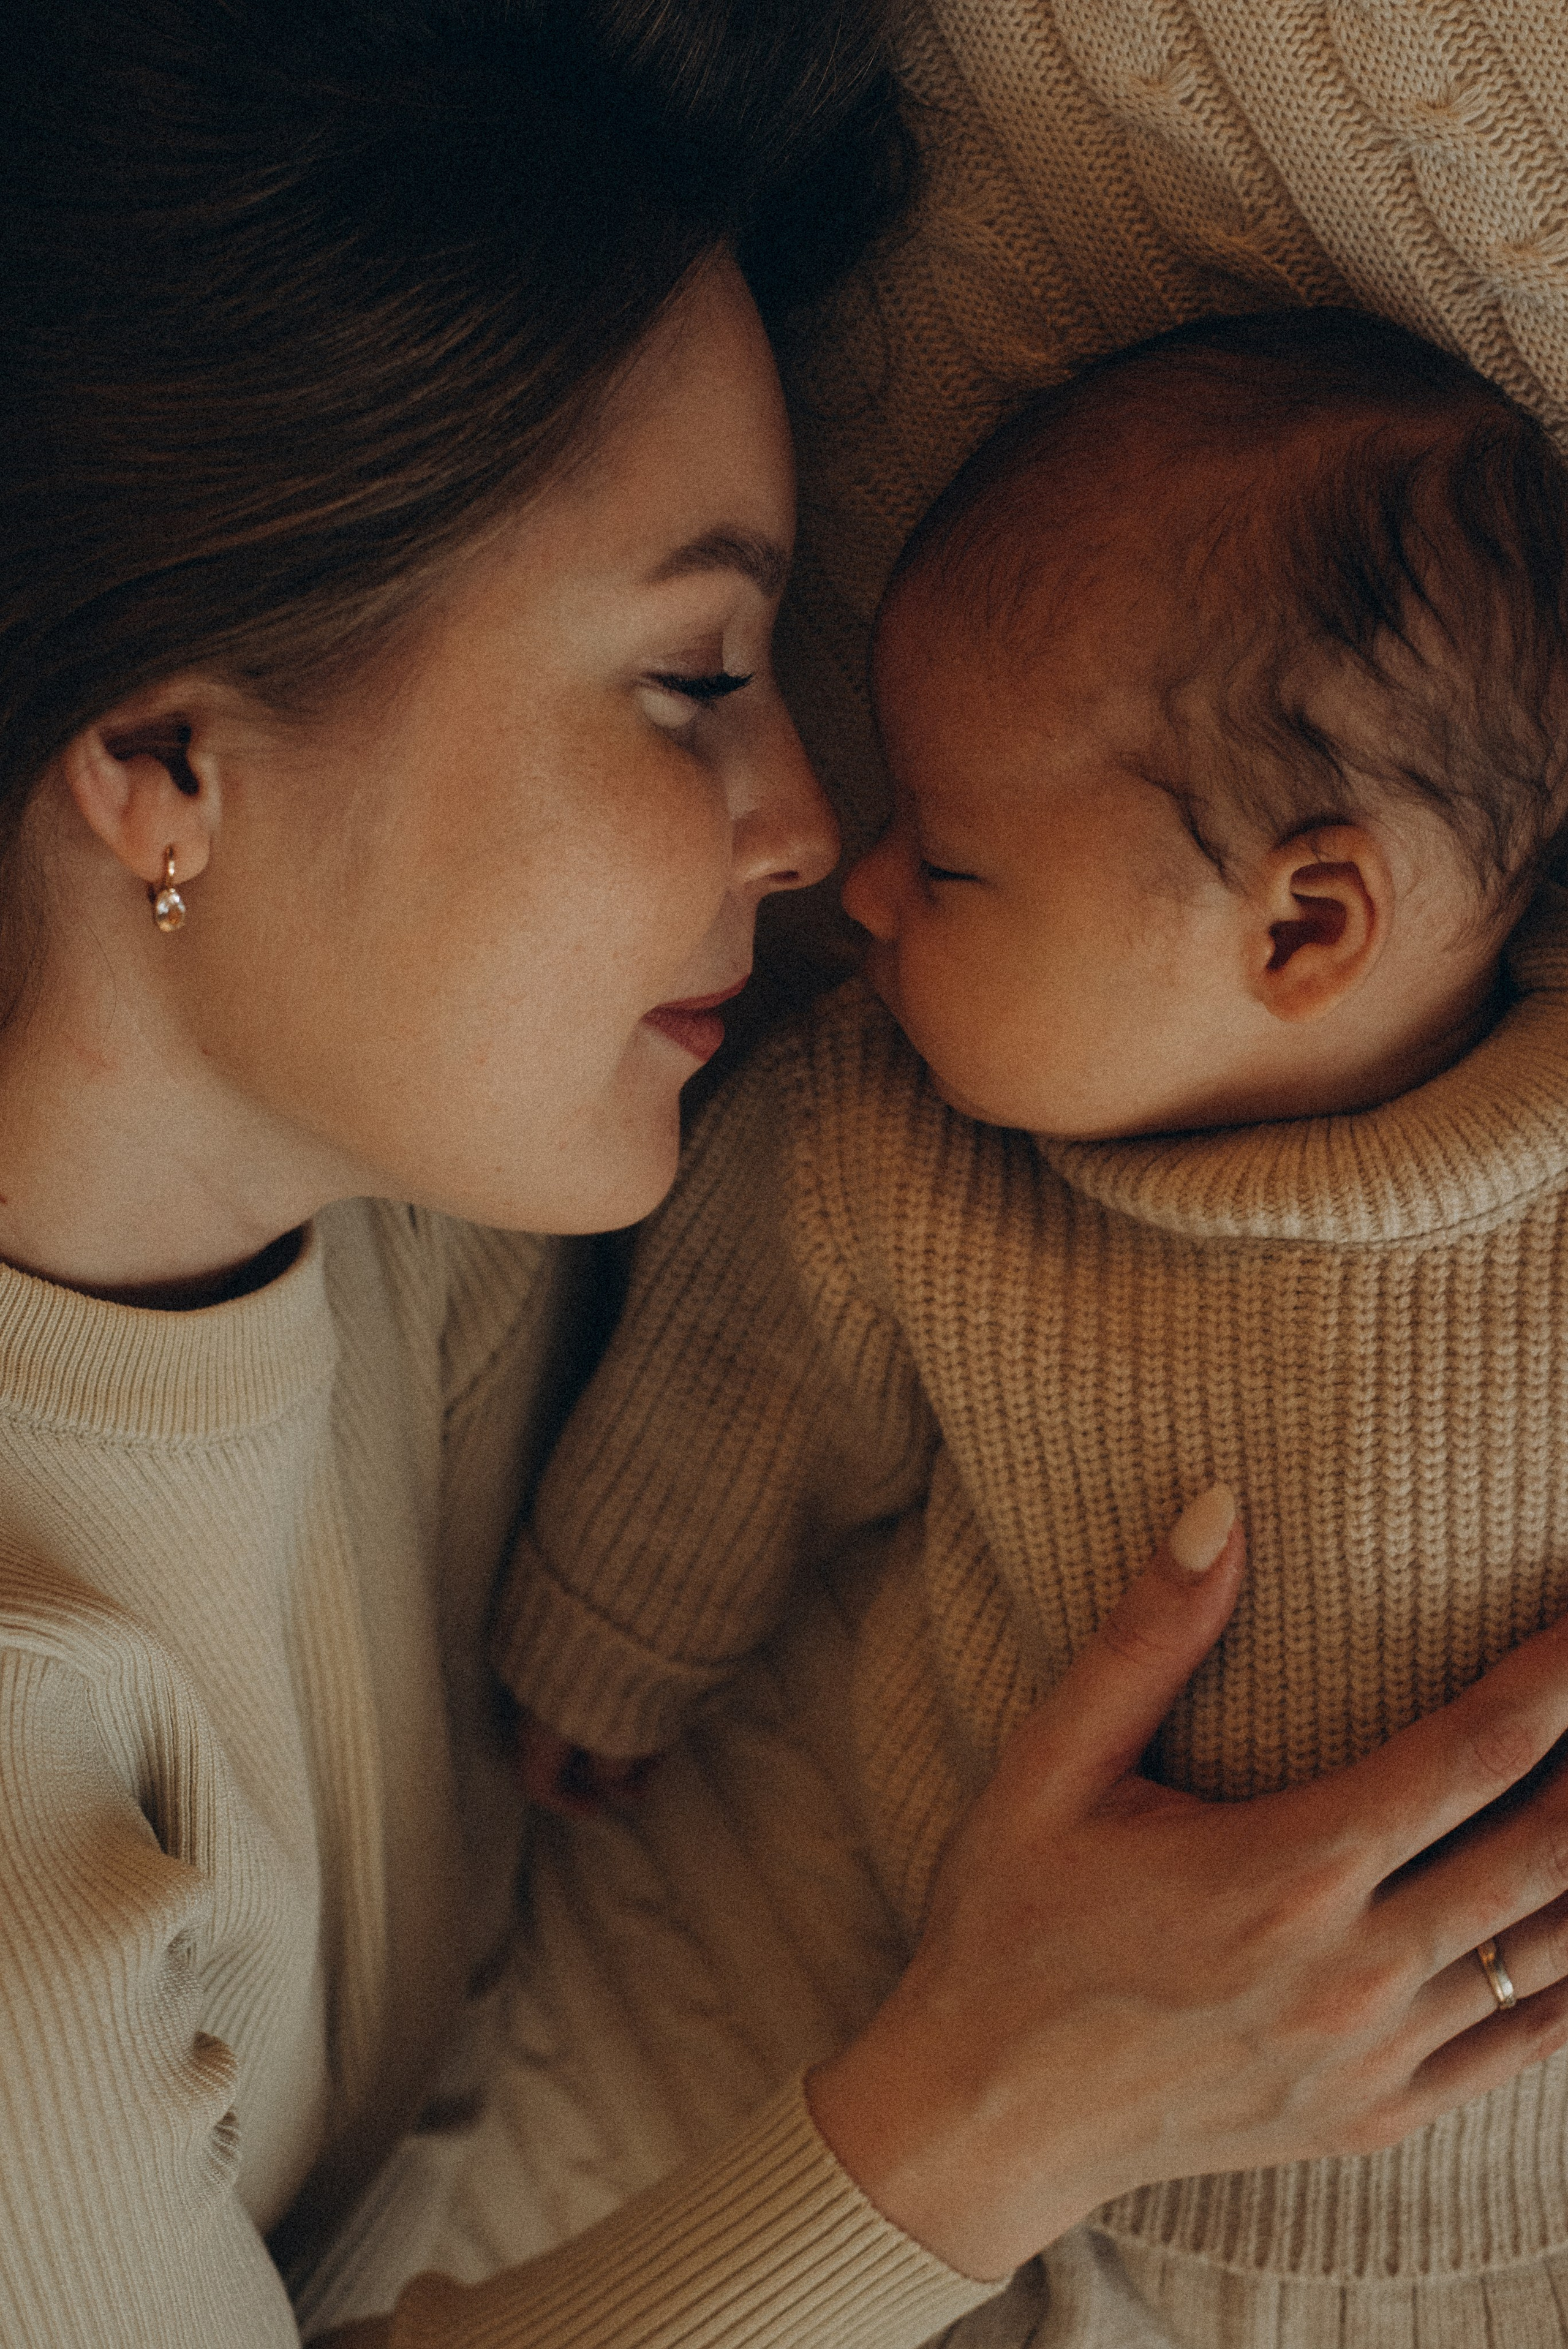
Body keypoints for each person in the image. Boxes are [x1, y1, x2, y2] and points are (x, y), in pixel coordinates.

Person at [6, 2, 1568, 2342]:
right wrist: (994, 2107)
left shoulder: (434, 1191)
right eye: (692, 677)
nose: (816, 830)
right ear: (162, 754)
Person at [498, 307, 1568, 2345]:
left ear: (1304, 925)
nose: (864, 887)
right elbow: (735, 1390)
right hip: (1047, 2116)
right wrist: (614, 1633)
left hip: (1524, 2167)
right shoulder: (892, 1156)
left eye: (953, 855)